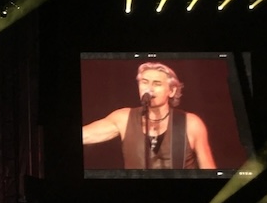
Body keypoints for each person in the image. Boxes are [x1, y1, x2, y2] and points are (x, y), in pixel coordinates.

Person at [82, 62, 216, 170]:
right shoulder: (123, 118)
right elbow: (86, 135)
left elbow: (209, 169)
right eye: (144, 82)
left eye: (157, 84)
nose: (149, 88)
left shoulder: (191, 123)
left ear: (172, 90)